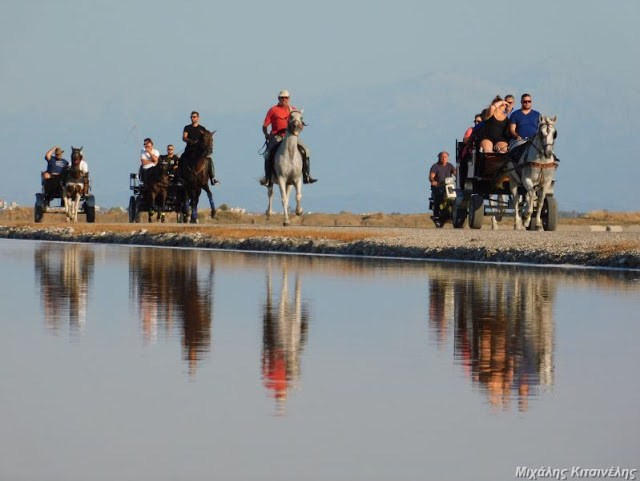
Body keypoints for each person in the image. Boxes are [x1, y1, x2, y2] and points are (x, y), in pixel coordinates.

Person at [260, 90, 317, 186]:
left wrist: (299, 128)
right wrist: (266, 134)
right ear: (279, 98)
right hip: (277, 136)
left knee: (306, 150)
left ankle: (306, 175)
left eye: (286, 97)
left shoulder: (294, 110)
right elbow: (265, 125)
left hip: (291, 137)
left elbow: (300, 124)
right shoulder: (273, 110)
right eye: (282, 97)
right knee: (268, 153)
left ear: (289, 98)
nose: (284, 99)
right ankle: (268, 178)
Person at [182, 111, 218, 185]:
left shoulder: (202, 128)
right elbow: (184, 138)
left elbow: (206, 138)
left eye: (194, 117)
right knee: (181, 159)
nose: (192, 118)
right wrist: (191, 141)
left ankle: (212, 178)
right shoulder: (187, 127)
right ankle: (179, 178)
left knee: (209, 160)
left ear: (198, 118)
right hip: (190, 149)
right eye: (191, 117)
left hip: (199, 150)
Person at [429, 151, 457, 218]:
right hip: (438, 186)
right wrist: (433, 181)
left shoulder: (450, 165)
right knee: (438, 198)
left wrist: (458, 178)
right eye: (442, 157)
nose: (444, 159)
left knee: (455, 198)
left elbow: (456, 173)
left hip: (448, 186)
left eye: (445, 157)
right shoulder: (435, 166)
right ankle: (436, 215)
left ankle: (455, 213)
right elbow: (431, 176)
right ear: (439, 157)